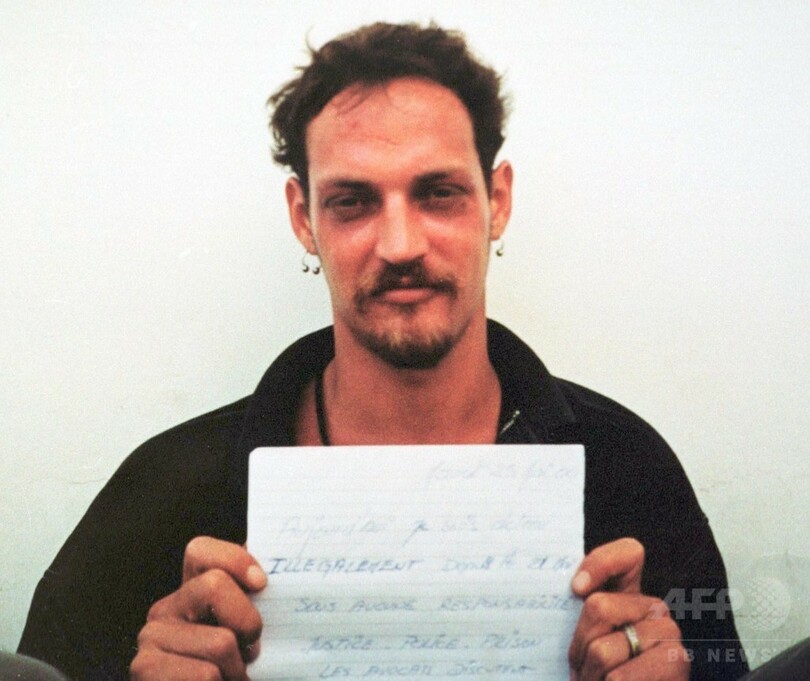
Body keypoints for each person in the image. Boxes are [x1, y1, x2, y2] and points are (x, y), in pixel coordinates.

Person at [18, 22, 748, 681]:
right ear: (304, 219)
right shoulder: (164, 493)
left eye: (438, 193)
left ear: (497, 201)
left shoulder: (628, 469)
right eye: (353, 202)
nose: (400, 244)